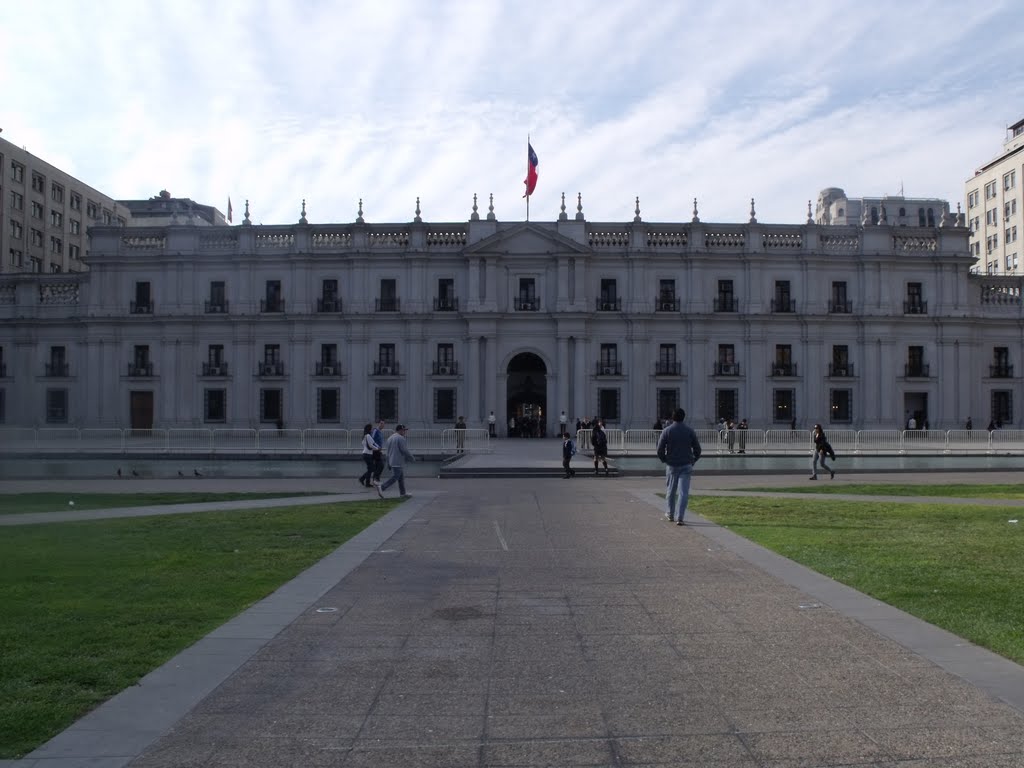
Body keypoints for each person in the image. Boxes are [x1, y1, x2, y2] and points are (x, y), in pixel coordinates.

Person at [656, 408, 702, 525]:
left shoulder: (667, 431)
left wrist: (664, 459)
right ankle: (680, 517)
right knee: (683, 493)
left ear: (672, 417)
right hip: (686, 465)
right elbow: (698, 449)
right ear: (684, 417)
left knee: (671, 491)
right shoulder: (689, 431)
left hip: (672, 465)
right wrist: (693, 460)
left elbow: (659, 449)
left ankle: (670, 514)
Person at [376, 424, 415, 499]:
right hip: (398, 461)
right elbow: (404, 450)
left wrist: (388, 463)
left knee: (401, 478)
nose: (405, 432)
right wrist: (411, 458)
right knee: (395, 477)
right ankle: (382, 487)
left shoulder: (390, 438)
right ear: (400, 430)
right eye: (404, 430)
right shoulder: (401, 438)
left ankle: (403, 493)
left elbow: (387, 452)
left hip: (392, 461)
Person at [358, 423, 380, 488]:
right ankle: (362, 479)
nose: (372, 430)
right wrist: (377, 449)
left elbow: (370, 443)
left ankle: (367, 483)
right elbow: (371, 445)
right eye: (371, 428)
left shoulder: (364, 436)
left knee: (370, 469)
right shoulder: (368, 436)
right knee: (372, 469)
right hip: (368, 454)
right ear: (369, 429)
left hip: (365, 454)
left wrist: (377, 447)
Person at [370, 420, 386, 484]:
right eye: (381, 423)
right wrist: (377, 447)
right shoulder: (375, 430)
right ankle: (375, 478)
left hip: (378, 450)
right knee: (381, 465)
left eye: (383, 424)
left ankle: (376, 479)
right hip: (375, 450)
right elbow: (372, 439)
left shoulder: (380, 432)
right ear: (378, 424)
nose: (382, 425)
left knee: (377, 465)